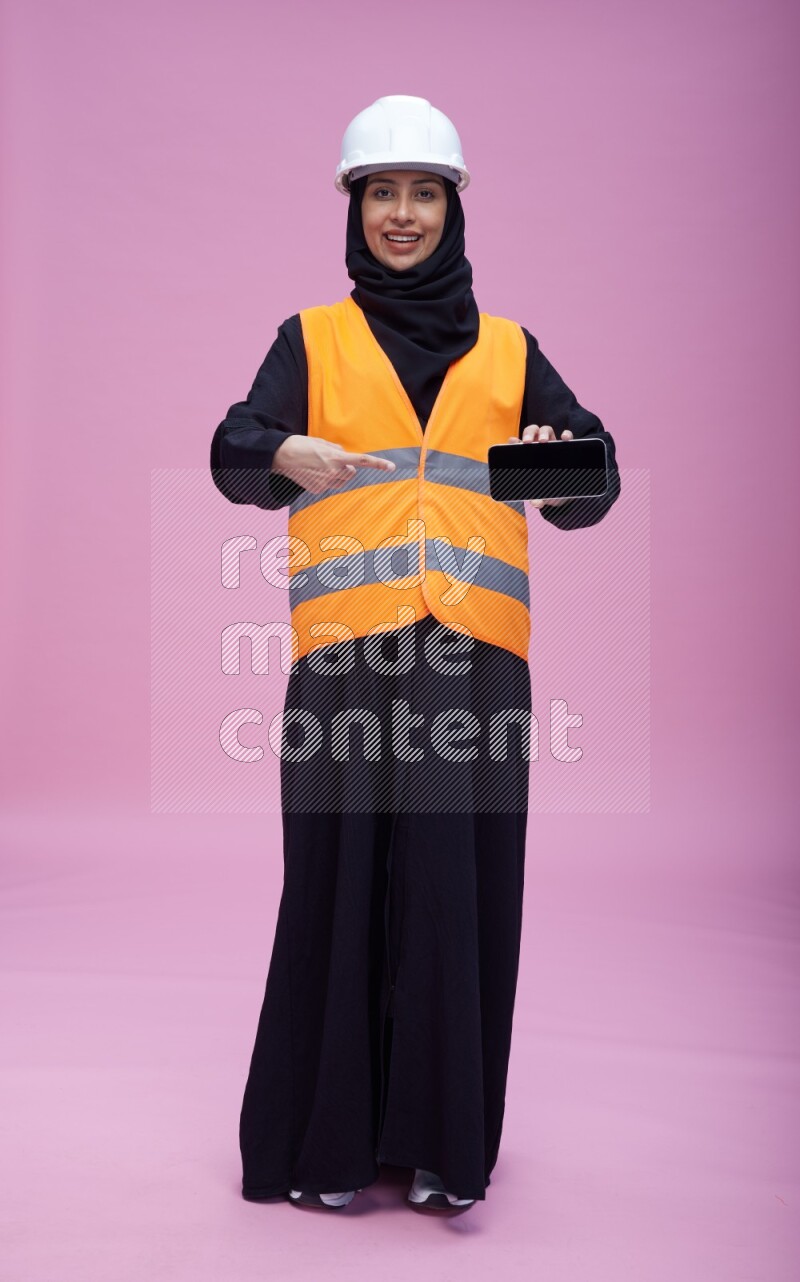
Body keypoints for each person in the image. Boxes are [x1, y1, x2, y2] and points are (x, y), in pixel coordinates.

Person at [210, 95, 621, 1216]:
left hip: (474, 669)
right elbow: (232, 451)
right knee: (335, 888)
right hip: (344, 664)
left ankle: (445, 1146)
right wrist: (280, 452)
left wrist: (557, 459)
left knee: (456, 895)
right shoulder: (310, 340)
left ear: (453, 207)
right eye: (382, 192)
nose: (402, 213)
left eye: (423, 193)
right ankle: (326, 1146)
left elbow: (591, 483)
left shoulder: (511, 349)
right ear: (354, 207)